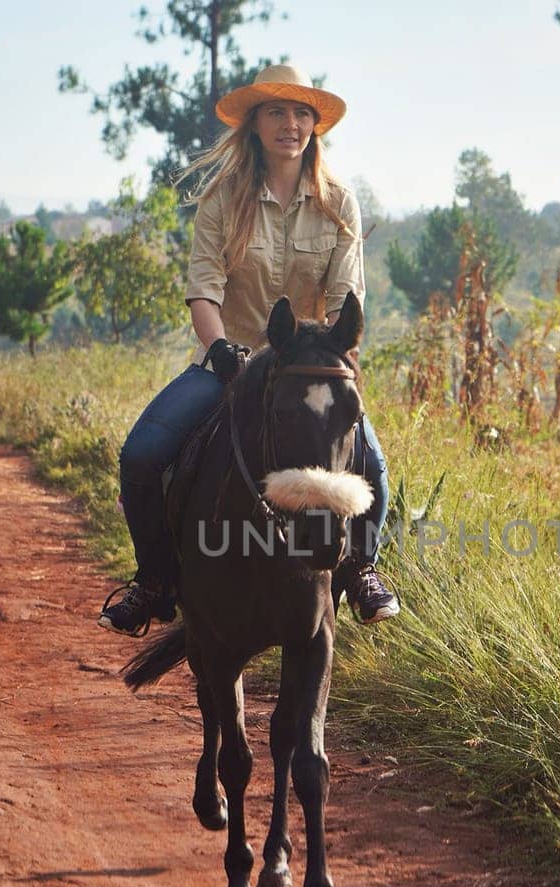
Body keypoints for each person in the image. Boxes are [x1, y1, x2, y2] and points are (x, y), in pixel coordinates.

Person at [99, 63, 400, 637]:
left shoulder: (340, 203)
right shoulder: (223, 200)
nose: (291, 124)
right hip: (230, 364)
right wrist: (222, 352)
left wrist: (326, 352)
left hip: (309, 372)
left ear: (315, 125)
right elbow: (203, 292)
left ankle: (362, 567)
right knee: (142, 455)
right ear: (255, 125)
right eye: (277, 112)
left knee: (375, 469)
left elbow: (343, 301)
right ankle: (155, 581)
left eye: (302, 113)